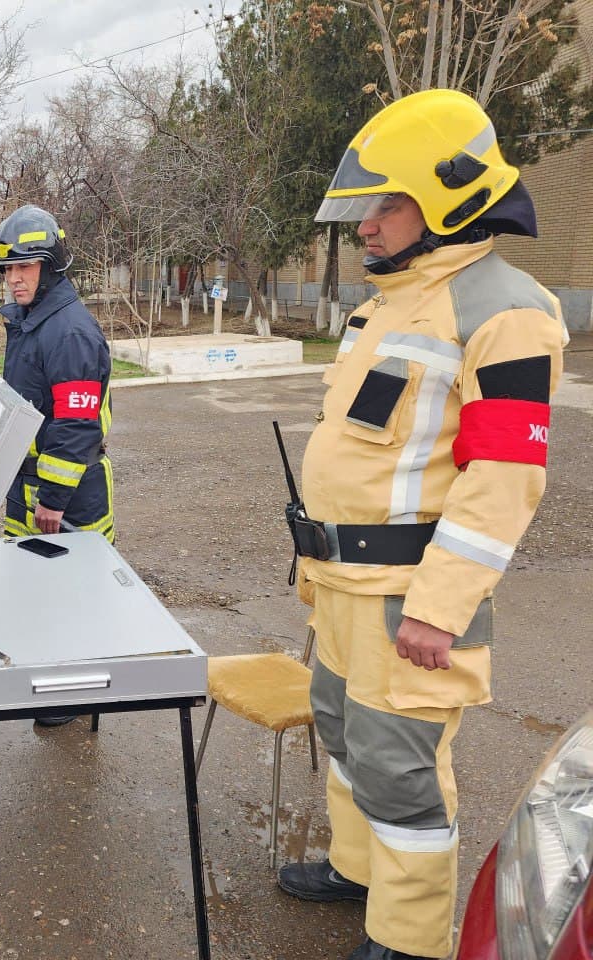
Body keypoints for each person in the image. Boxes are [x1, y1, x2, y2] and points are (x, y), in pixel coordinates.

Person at [278, 90, 567, 960]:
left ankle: (407, 939)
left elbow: (505, 482)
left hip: (408, 599)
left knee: (401, 769)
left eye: (385, 203)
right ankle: (359, 874)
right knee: (342, 733)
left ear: (446, 198)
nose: (365, 225)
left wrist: (441, 607)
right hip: (340, 588)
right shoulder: (392, 301)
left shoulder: (506, 310)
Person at [0, 203, 114, 728]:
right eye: (8, 269)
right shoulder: (30, 324)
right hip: (31, 489)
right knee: (38, 592)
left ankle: (73, 693)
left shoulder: (69, 334)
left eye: (25, 267)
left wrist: (53, 500)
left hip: (68, 497)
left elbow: (77, 426)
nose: (14, 279)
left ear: (52, 266)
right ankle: (50, 679)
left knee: (71, 597)